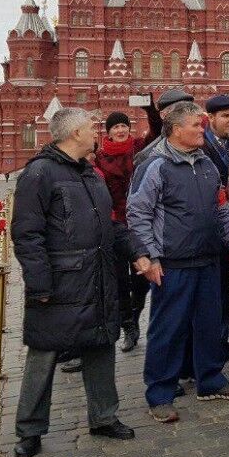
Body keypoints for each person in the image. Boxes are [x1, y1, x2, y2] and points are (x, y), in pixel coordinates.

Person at [8, 108, 142, 457]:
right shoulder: (39, 173)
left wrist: (136, 253)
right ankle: (30, 430)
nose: (96, 133)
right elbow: (27, 234)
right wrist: (39, 286)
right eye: (90, 128)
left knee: (100, 345)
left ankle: (104, 416)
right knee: (44, 354)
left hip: (96, 276)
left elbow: (110, 225)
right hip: (59, 283)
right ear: (74, 134)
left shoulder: (91, 174)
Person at [127, 102, 229, 421]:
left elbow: (221, 206)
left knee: (209, 323)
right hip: (172, 263)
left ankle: (210, 379)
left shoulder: (206, 163)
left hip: (208, 259)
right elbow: (137, 214)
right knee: (168, 329)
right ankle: (160, 393)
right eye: (196, 125)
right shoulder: (155, 165)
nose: (201, 129)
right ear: (177, 129)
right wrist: (148, 256)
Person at [92, 103, 162, 352]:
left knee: (142, 278)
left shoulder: (139, 148)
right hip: (113, 223)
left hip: (139, 222)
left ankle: (134, 312)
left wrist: (150, 110)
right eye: (116, 127)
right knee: (119, 279)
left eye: (124, 125)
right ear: (108, 132)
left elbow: (157, 133)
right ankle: (129, 327)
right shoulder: (99, 158)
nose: (121, 130)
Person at [203, 94, 229, 363]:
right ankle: (208, 351)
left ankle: (220, 345)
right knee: (210, 296)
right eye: (225, 116)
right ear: (211, 119)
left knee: (223, 293)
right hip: (207, 235)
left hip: (227, 233)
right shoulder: (202, 145)